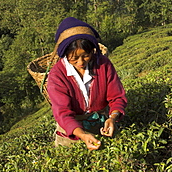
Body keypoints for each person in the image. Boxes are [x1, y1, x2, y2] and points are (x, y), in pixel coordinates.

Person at [47, 17, 127, 150]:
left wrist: (112, 118)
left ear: (92, 51)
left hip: (101, 124)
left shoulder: (103, 64)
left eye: (85, 56)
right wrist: (83, 135)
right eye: (74, 58)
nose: (81, 62)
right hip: (71, 130)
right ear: (65, 54)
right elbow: (63, 113)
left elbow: (117, 97)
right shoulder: (57, 75)